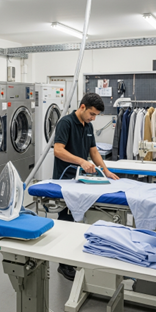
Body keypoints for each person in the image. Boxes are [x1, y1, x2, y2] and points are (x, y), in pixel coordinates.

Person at [53, 92, 119, 281]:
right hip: (65, 179)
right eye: (92, 114)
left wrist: (105, 170)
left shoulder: (88, 126)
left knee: (78, 218)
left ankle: (76, 255)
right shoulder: (66, 123)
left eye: (96, 115)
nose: (93, 118)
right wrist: (82, 162)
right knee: (66, 220)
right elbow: (58, 150)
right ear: (82, 107)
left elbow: (94, 151)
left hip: (81, 181)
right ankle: (63, 264)